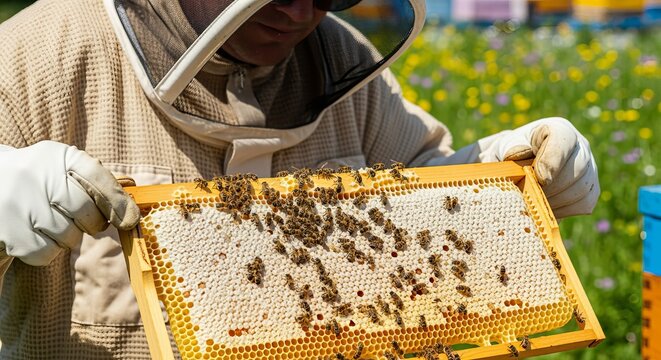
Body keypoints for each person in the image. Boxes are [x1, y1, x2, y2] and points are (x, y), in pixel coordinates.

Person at [0, 0, 599, 358]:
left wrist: (500, 176)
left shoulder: (338, 55)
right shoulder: (40, 56)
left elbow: (419, 192)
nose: (298, 13)